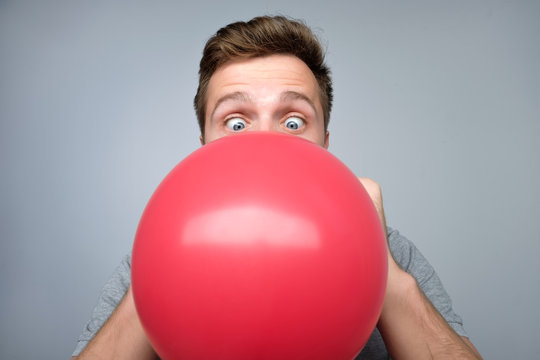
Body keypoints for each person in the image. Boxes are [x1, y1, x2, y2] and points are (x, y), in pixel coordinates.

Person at [72, 15, 482, 359]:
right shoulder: (150, 258)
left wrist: (382, 266)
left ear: (325, 142)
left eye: (292, 122)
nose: (264, 142)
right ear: (202, 147)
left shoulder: (394, 251)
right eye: (236, 122)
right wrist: (158, 267)